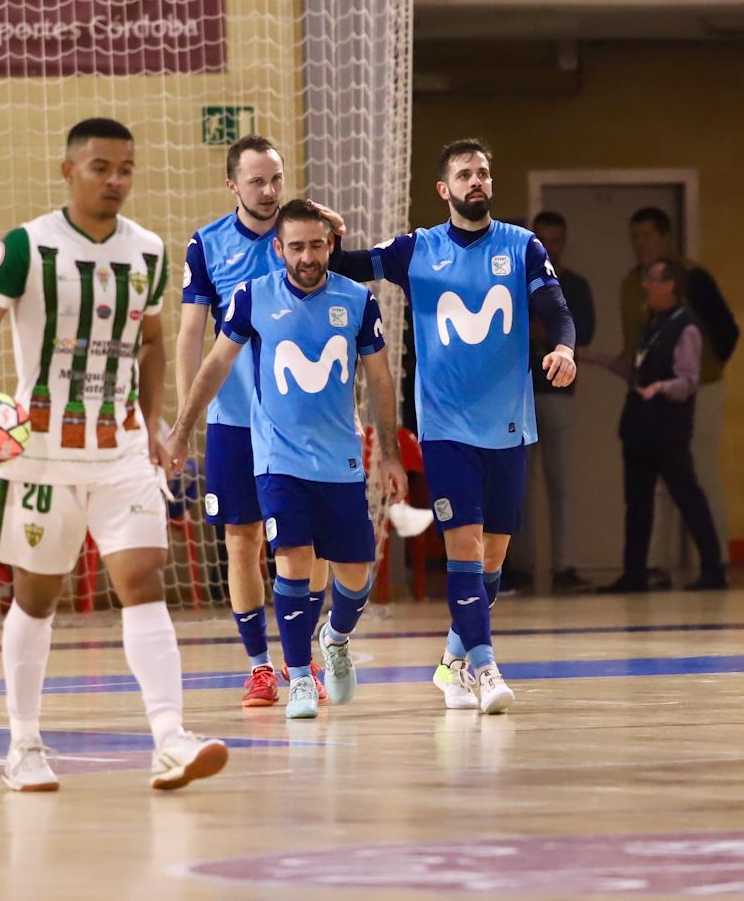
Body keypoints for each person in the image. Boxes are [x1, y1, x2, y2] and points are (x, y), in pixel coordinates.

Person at [0, 118, 227, 792]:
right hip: (40, 455)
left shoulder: (148, 251)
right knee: (36, 597)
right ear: (69, 171)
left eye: (125, 168)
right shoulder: (25, 247)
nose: (114, 179)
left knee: (143, 579)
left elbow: (151, 342)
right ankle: (24, 743)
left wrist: (150, 423)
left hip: (119, 449)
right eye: (100, 167)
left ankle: (170, 736)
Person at [317, 138, 577, 714]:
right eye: (464, 174)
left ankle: (451, 664)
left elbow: (557, 309)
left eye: (483, 172)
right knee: (463, 544)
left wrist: (564, 348)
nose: (476, 181)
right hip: (446, 426)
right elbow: (346, 264)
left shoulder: (522, 246)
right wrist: (325, 234)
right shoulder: (417, 250)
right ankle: (484, 667)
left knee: (492, 557)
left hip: (509, 424)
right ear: (445, 189)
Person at [166, 199, 405, 719]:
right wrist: (184, 429)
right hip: (276, 458)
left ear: (330, 246)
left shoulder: (358, 301)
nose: (307, 255)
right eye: (295, 246)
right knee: (292, 562)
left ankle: (335, 640)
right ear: (279, 250)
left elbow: (381, 381)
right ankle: (297, 677)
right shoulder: (252, 298)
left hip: (341, 461)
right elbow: (213, 365)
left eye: (316, 244)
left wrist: (389, 455)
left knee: (356, 575)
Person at [178, 134, 291, 709]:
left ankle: (309, 658)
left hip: (299, 420)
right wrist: (184, 422)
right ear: (233, 185)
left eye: (276, 179)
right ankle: (259, 667)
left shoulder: (302, 233)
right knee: (242, 540)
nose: (269, 191)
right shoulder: (208, 244)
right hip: (234, 420)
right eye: (256, 181)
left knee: (304, 544)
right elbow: (191, 335)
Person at [620, 208, 738, 581]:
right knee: (654, 487)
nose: (641, 244)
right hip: (649, 395)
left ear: (666, 239)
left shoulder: (692, 278)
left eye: (648, 236)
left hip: (696, 386)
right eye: (635, 237)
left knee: (696, 475)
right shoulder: (630, 283)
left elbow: (727, 330)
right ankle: (655, 564)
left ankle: (716, 561)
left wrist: (700, 370)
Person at [597, 259, 727, 593]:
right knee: (637, 503)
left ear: (670, 284)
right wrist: (597, 359)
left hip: (668, 427)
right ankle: (634, 572)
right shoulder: (651, 323)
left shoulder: (686, 326)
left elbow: (688, 380)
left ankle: (713, 568)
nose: (644, 286)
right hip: (639, 425)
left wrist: (661, 388)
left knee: (687, 496)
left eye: (652, 280)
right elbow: (639, 368)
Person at [520, 210, 596, 592]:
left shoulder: (575, 285)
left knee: (560, 480)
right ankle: (520, 567)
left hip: (560, 392)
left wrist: (544, 329)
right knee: (519, 481)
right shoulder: (517, 280)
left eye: (556, 239)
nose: (550, 246)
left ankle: (564, 566)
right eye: (543, 238)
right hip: (520, 393)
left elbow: (583, 330)